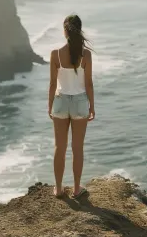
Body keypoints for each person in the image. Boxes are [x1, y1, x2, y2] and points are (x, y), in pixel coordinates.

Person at [48, 14, 95, 199]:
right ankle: (76, 189)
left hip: (60, 102)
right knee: (77, 148)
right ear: (79, 30)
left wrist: (49, 105)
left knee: (59, 148)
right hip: (80, 103)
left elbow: (52, 84)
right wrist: (92, 106)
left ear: (65, 31)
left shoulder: (55, 54)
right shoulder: (86, 55)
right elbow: (89, 83)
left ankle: (58, 189)